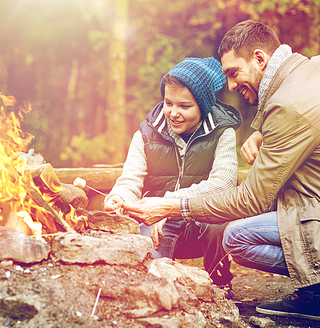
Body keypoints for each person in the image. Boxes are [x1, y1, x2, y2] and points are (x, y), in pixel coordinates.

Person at [123, 20, 320, 328]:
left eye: (233, 73)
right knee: (284, 195)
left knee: (239, 236)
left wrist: (169, 206)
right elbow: (312, 118)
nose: (229, 85)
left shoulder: (288, 106)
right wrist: (263, 132)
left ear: (260, 59)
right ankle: (316, 299)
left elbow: (251, 200)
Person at [104, 57, 243, 287]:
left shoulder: (222, 132)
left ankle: (219, 286)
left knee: (220, 220)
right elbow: (130, 179)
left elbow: (224, 184)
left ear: (203, 105)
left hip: (201, 226)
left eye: (184, 106)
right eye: (169, 103)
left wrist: (167, 204)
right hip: (158, 228)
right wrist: (119, 197)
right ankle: (156, 287)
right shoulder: (146, 133)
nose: (173, 113)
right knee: (155, 281)